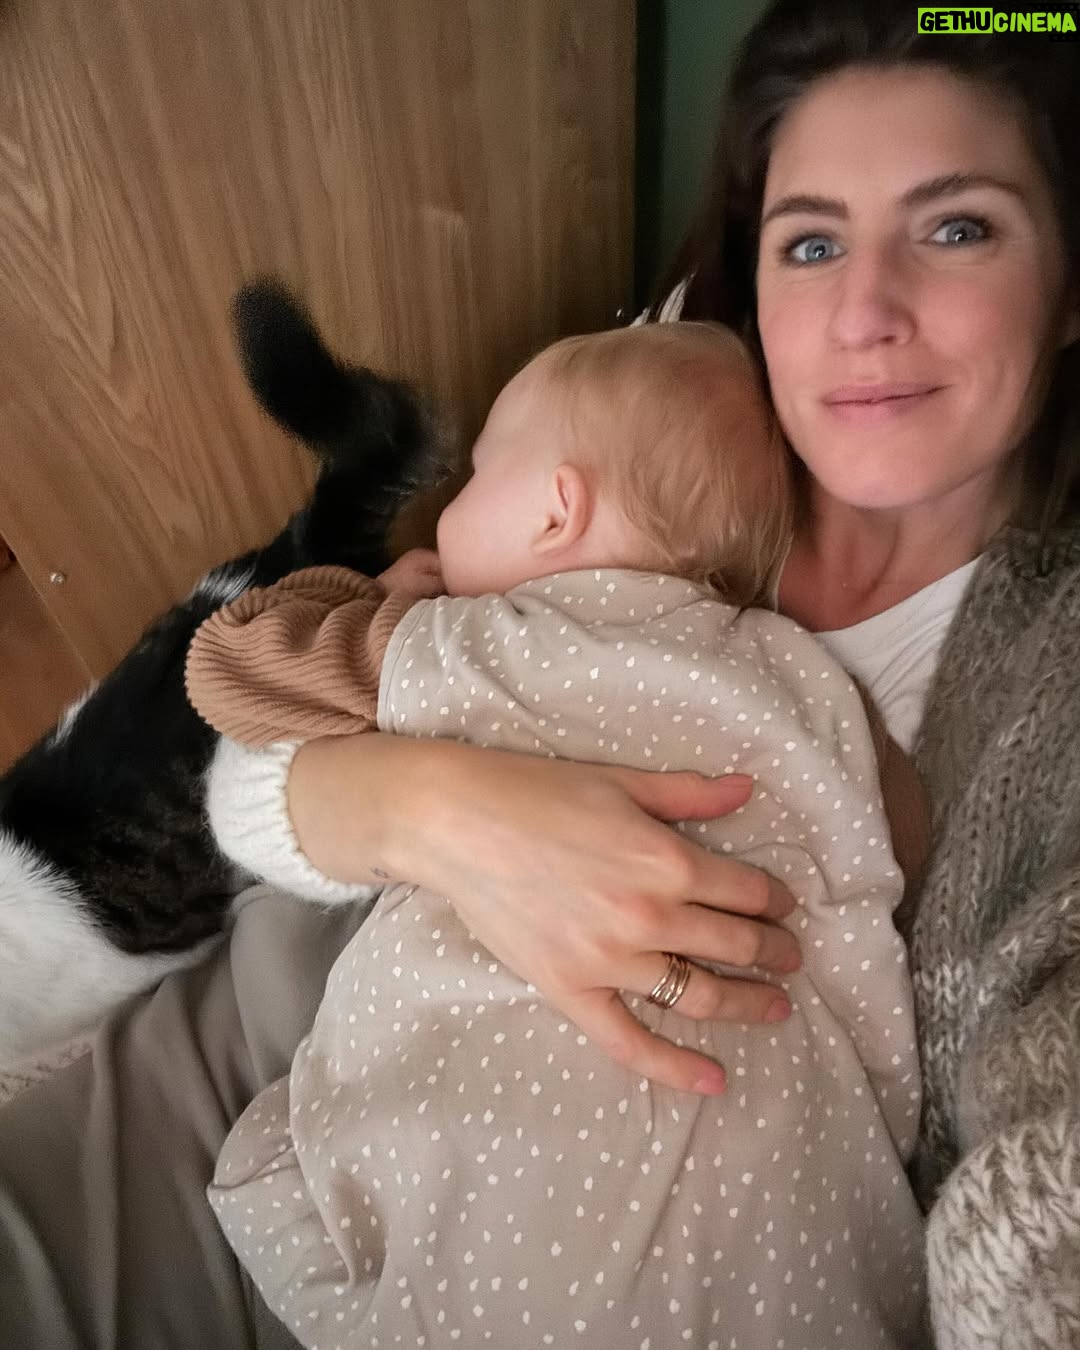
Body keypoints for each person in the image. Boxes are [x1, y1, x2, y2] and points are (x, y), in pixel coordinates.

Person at [1, 2, 1078, 1348]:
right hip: (272, 1061)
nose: (864, 312)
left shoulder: (1048, 692)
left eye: (957, 227)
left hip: (618, 1262)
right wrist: (436, 809)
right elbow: (238, 779)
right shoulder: (674, 401)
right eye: (810, 241)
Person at [183, 321, 928, 1348]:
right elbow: (896, 851)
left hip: (499, 1222)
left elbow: (226, 667)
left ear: (555, 510)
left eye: (476, 475)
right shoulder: (815, 688)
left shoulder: (480, 643)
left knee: (268, 1170)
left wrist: (372, 602)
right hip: (792, 1244)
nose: (446, 512)